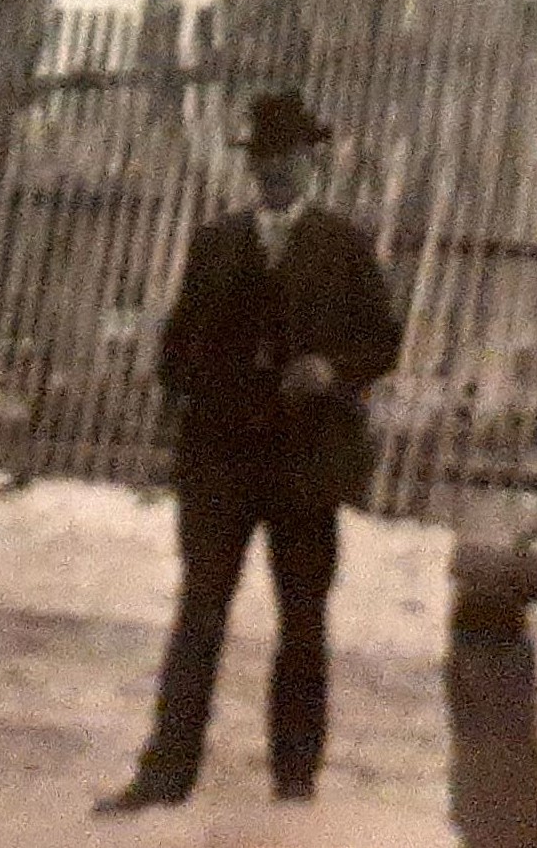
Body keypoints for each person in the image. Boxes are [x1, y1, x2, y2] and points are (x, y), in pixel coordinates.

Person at [97, 87, 401, 814]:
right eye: (264, 156)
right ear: (250, 164)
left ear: (310, 160)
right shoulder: (216, 243)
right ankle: (166, 774)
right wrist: (210, 384)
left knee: (302, 617)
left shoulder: (344, 245)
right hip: (222, 462)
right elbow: (176, 352)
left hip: (305, 462)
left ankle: (294, 781)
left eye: (288, 155)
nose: (275, 168)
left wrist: (332, 369)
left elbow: (383, 341)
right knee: (199, 612)